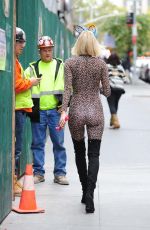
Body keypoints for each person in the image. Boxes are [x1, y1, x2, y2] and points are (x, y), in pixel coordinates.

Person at [59, 30, 111, 213]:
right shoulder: (101, 64)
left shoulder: (70, 63)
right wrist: (96, 85)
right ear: (94, 45)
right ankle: (90, 194)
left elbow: (67, 90)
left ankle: (83, 190)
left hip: (77, 111)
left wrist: (63, 111)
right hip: (95, 111)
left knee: (79, 152)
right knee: (94, 155)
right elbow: (107, 92)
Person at [25, 36, 69, 185]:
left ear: (53, 50)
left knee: (59, 144)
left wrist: (64, 108)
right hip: (39, 112)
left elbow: (69, 87)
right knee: (37, 144)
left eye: (49, 50)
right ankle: (38, 173)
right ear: (40, 51)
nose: (47, 53)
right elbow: (22, 83)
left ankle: (60, 174)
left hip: (56, 112)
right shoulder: (32, 68)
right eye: (44, 50)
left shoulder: (60, 66)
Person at [15, 27, 40, 196]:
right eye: (20, 42)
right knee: (16, 148)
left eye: (23, 42)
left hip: (20, 109)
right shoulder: (14, 62)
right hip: (17, 110)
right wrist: (30, 82)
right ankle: (13, 181)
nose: (23, 45)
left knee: (17, 147)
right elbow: (17, 85)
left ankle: (14, 180)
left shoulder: (16, 62)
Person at [106, 52, 126, 129]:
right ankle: (113, 121)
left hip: (111, 87)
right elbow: (124, 79)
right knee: (115, 103)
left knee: (111, 104)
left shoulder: (107, 66)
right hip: (120, 88)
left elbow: (105, 78)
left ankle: (116, 122)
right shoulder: (120, 67)